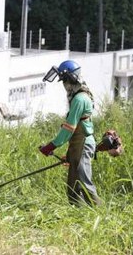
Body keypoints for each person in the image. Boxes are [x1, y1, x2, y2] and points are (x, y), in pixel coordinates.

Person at [39, 60, 101, 206]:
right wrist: (69, 153)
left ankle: (102, 214)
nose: (64, 84)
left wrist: (51, 146)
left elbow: (69, 128)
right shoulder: (78, 96)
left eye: (64, 80)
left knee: (85, 185)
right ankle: (78, 216)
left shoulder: (80, 99)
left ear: (71, 79)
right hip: (77, 145)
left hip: (83, 145)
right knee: (73, 187)